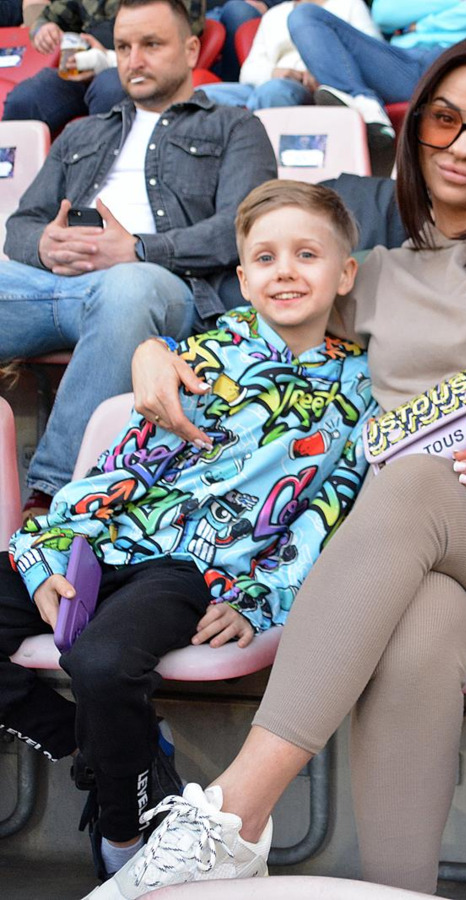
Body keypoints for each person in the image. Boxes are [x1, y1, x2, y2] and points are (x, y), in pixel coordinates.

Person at [93, 34, 466, 899]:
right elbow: (260, 321)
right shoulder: (377, 276)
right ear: (415, 127)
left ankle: (235, 814)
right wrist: (152, 351)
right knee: (417, 625)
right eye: (445, 121)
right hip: (437, 558)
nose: (463, 147)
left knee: (417, 482)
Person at [0, 178, 373, 885]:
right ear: (243, 278)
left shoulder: (360, 390)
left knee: (101, 664)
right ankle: (112, 750)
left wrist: (261, 598)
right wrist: (49, 545)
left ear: (345, 272)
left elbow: (329, 513)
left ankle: (122, 836)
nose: (285, 271)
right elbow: (126, 463)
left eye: (307, 254)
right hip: (104, 538)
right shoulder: (198, 354)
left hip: (191, 569)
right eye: (265, 258)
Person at [0, 0, 276, 520]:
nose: (134, 59)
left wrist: (138, 249)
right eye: (124, 47)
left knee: (126, 287)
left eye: (151, 44)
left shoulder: (235, 126)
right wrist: (44, 245)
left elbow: (243, 228)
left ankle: (55, 500)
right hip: (58, 285)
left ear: (191, 50)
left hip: (164, 287)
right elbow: (22, 224)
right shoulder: (83, 132)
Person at [287, 0, 466, 172]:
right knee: (305, 15)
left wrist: (418, 25)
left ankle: (364, 112)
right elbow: (385, 13)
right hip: (402, 61)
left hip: (465, 61)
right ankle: (364, 103)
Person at [3, 0, 206, 134]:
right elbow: (47, 18)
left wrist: (110, 59)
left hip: (140, 68)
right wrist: (44, 30)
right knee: (26, 98)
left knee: (109, 89)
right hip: (83, 67)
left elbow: (182, 35)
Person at [200, 0, 382, 111]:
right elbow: (248, 71)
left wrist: (326, 73)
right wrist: (274, 73)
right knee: (202, 96)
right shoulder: (274, 15)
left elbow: (374, 60)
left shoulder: (350, 5)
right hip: (268, 83)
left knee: (272, 92)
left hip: (317, 90)